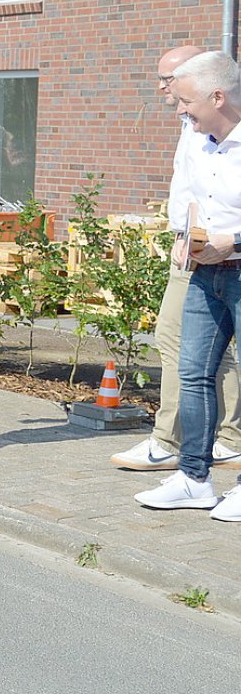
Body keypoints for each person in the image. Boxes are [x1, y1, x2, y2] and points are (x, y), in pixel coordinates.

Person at [112, 47, 241, 472]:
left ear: (214, 94)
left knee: (191, 352)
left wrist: (232, 241)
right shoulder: (202, 132)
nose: (167, 92)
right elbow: (195, 192)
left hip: (228, 258)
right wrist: (185, 233)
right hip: (200, 255)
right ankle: (196, 464)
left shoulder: (219, 133)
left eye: (175, 85)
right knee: (196, 361)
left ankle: (187, 441)